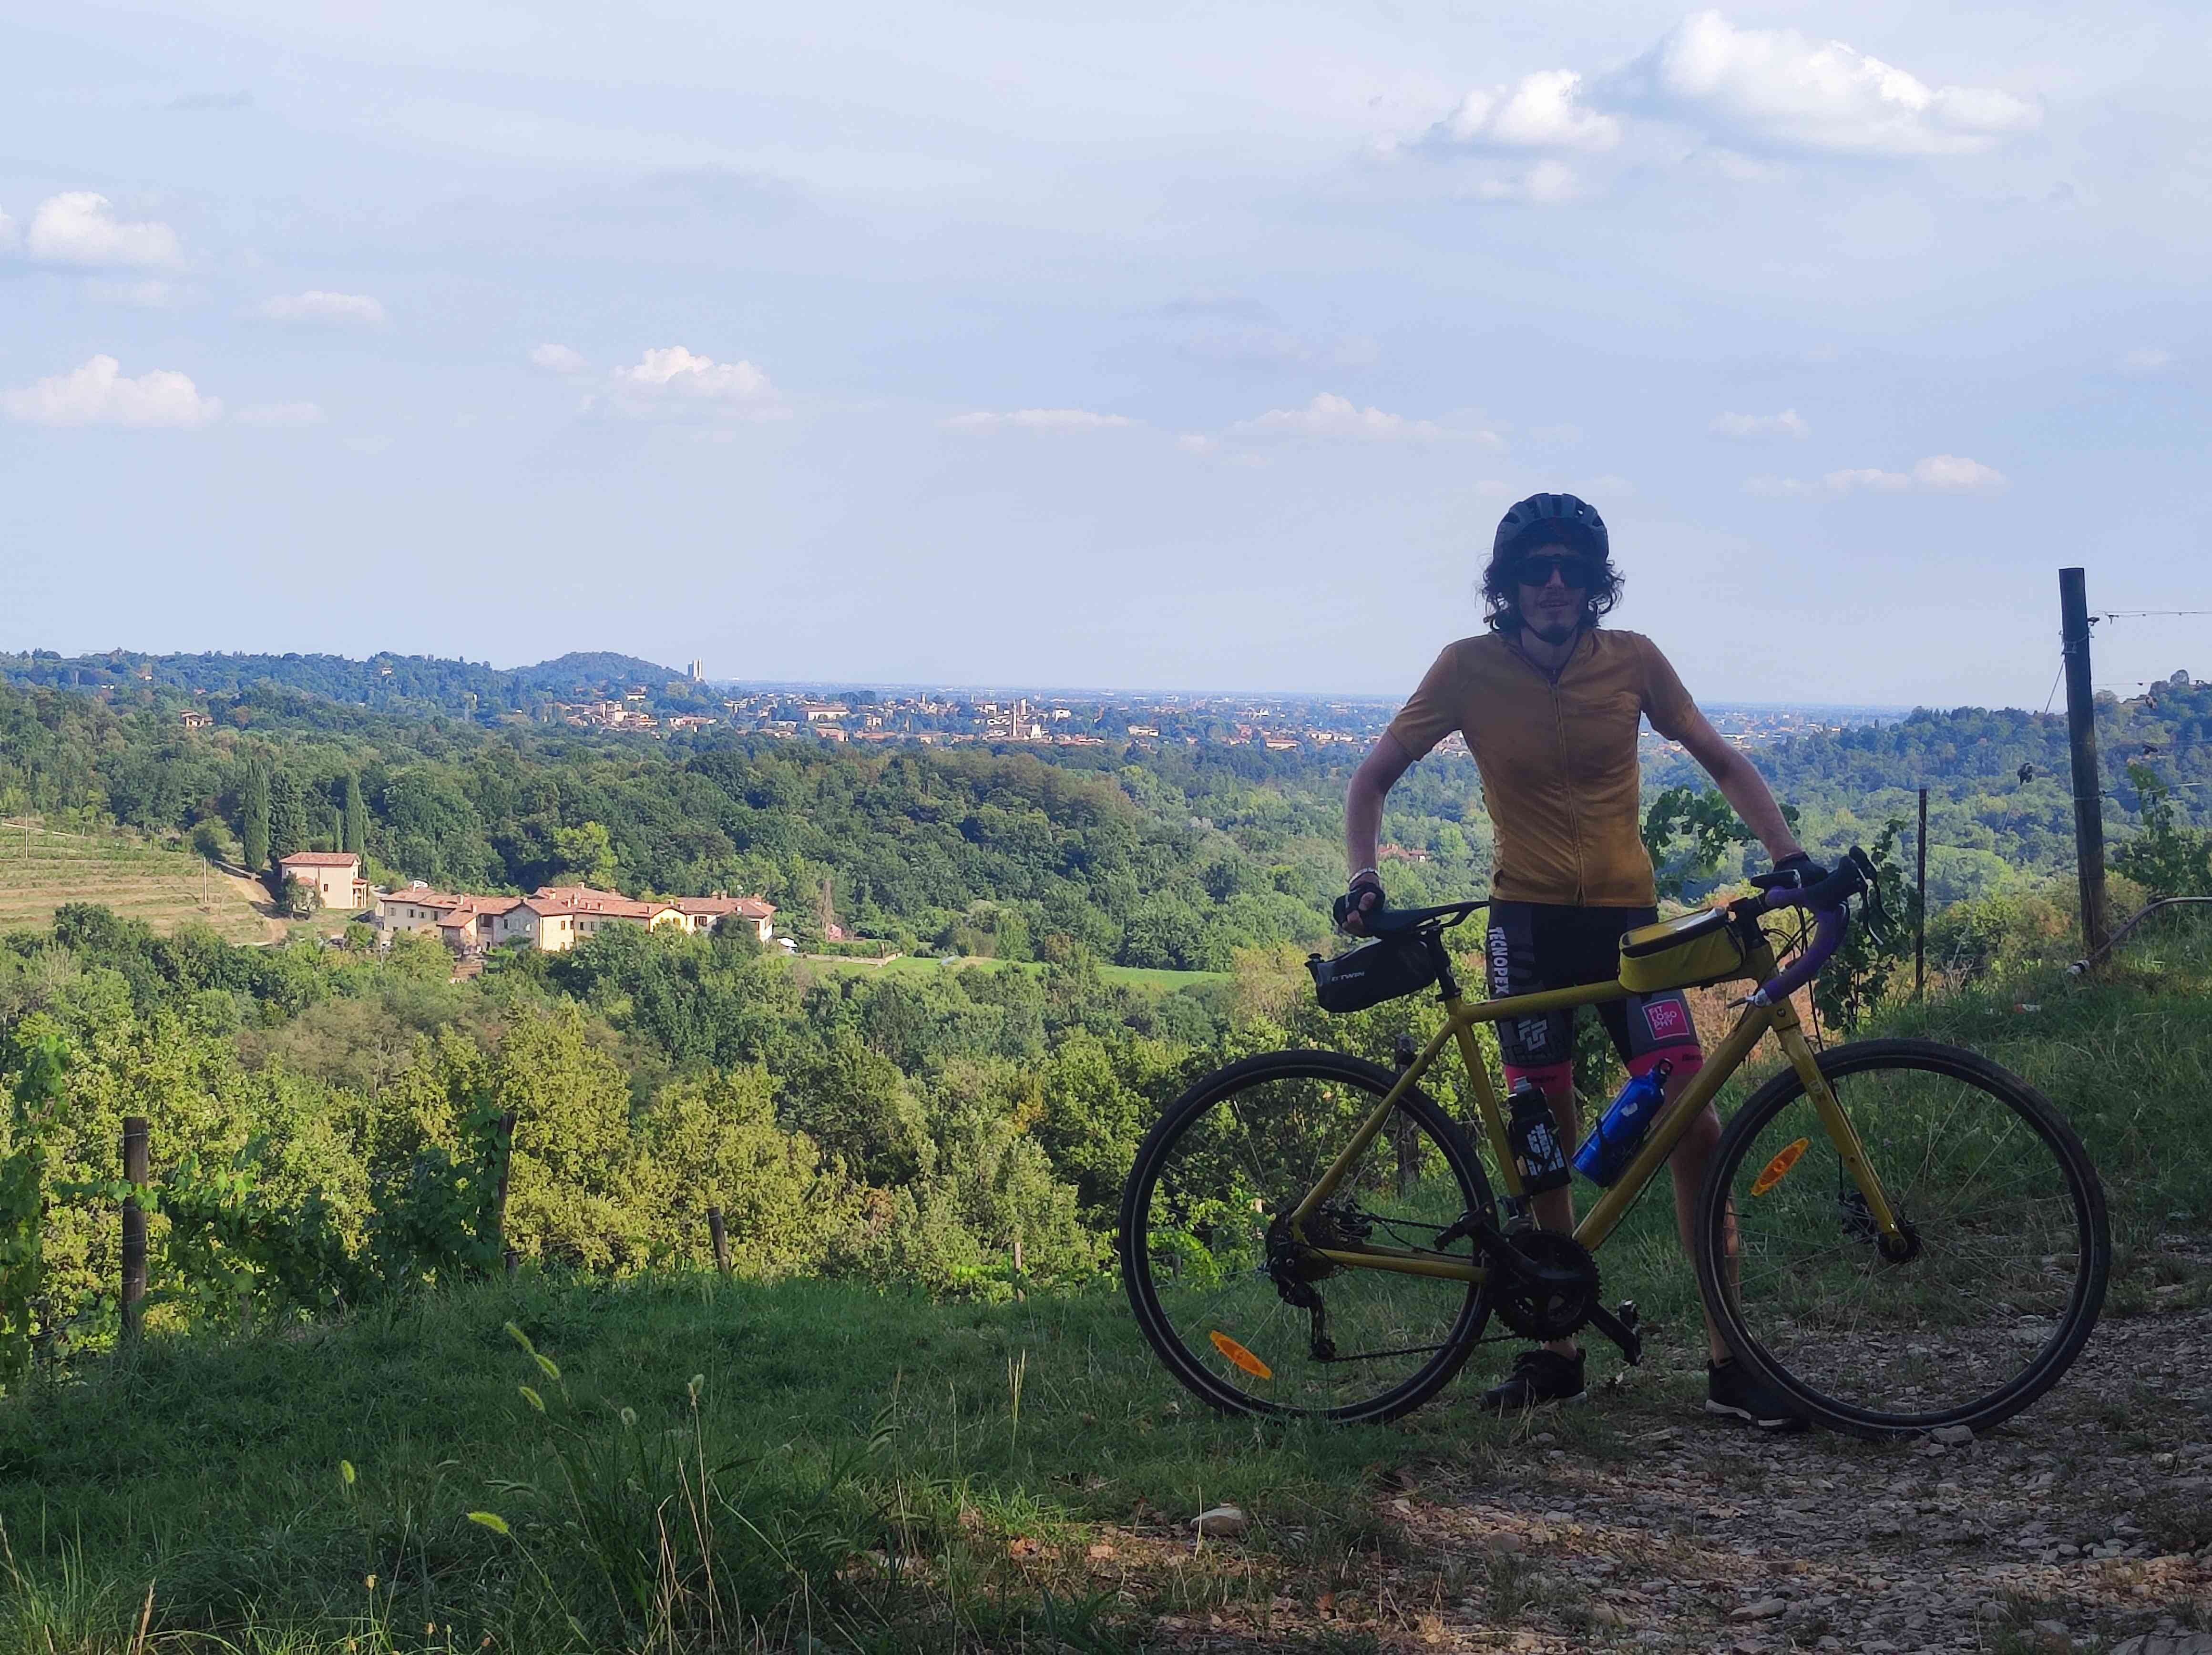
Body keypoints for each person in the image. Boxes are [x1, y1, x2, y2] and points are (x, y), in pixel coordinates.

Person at [1338, 491, 1814, 1430]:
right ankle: (1556, 1348)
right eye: (1535, 568)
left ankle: (1730, 1360)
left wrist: (1787, 854)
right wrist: (1363, 875)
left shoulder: (1633, 660)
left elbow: (1719, 759)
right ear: (1507, 584)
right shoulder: (1465, 668)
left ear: (1596, 581)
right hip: (1524, 927)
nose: (1553, 583)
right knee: (1542, 1132)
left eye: (1572, 568)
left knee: (1693, 1123)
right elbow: (1373, 777)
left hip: (1630, 930)